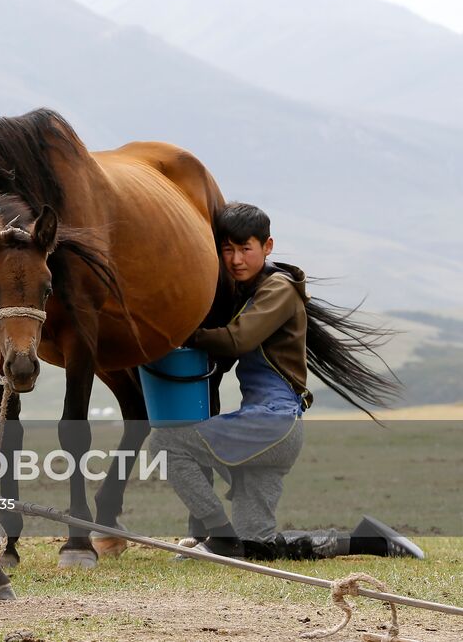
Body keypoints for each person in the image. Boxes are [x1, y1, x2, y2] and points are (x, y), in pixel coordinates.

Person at [148, 202, 421, 561]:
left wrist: (179, 333)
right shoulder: (251, 293)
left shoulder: (279, 289)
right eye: (227, 250)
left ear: (268, 246)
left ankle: (220, 536)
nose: (236, 259)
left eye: (245, 248)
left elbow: (237, 340)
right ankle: (368, 541)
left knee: (164, 443)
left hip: (271, 424)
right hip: (272, 429)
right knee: (257, 547)